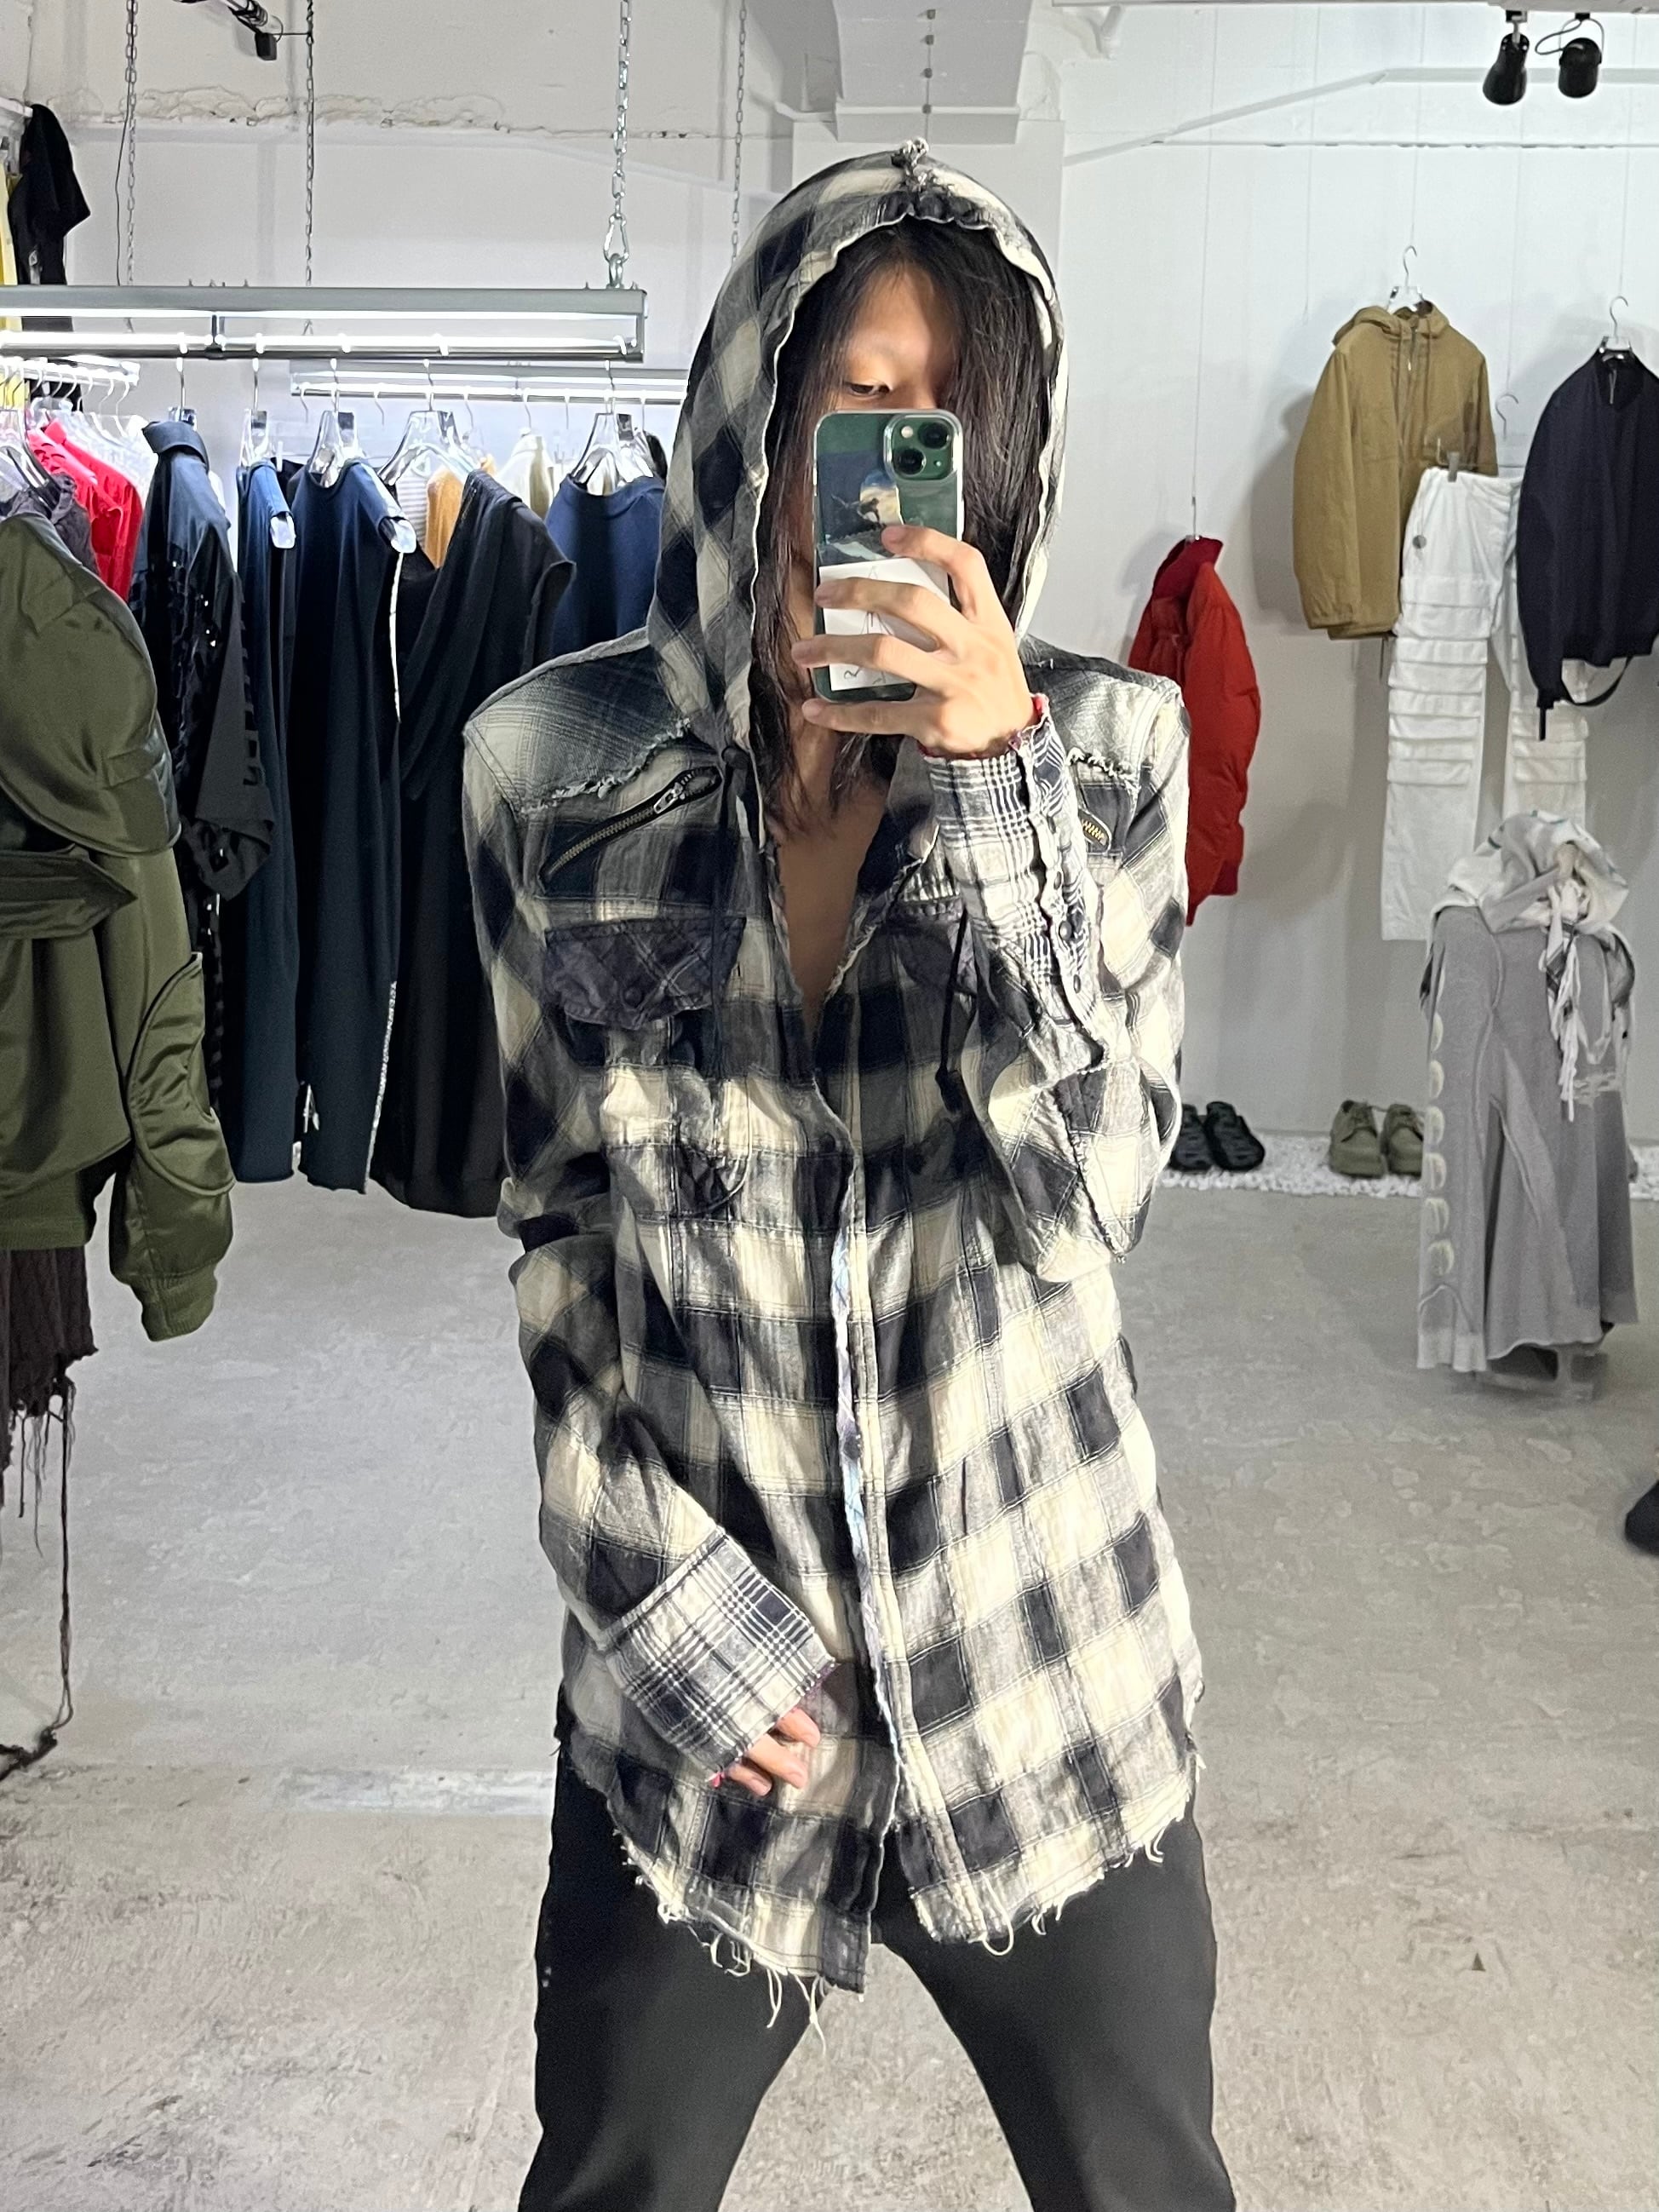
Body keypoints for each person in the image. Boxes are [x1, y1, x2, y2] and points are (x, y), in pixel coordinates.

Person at [465, 142, 1233, 2212]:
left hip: (1037, 1668)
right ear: (753, 418)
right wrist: (655, 1600)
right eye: (852, 405)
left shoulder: (1109, 756)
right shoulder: (548, 770)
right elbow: (558, 1232)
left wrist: (989, 783)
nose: (897, 465)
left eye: (944, 418)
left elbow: (1086, 1206)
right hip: (714, 1713)